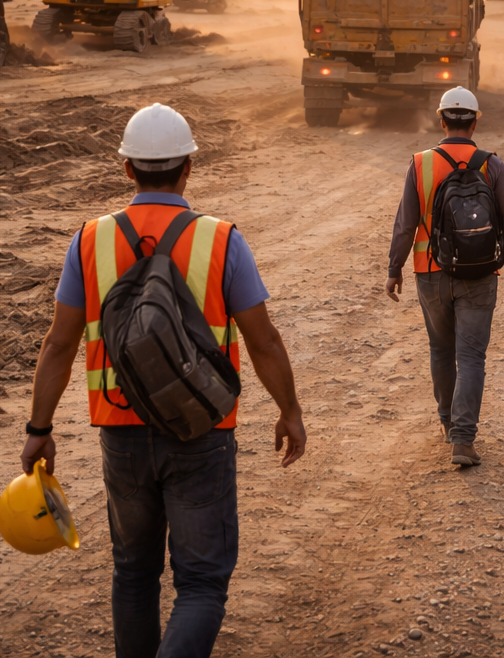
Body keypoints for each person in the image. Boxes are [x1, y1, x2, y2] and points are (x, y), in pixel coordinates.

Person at [21, 103, 306, 658]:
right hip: (202, 430)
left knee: (133, 574)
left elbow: (58, 343)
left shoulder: (90, 240)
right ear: (188, 169)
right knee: (200, 584)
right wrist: (289, 410)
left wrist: (39, 427)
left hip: (120, 431)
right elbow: (263, 339)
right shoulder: (221, 240)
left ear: (127, 170)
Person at [386, 86, 504, 467]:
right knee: (471, 356)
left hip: (430, 272)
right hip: (481, 274)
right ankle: (463, 441)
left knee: (440, 350)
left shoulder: (420, 164)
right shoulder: (492, 164)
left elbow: (405, 225)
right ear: (475, 120)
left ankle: (448, 422)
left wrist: (394, 269)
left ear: (441, 118)